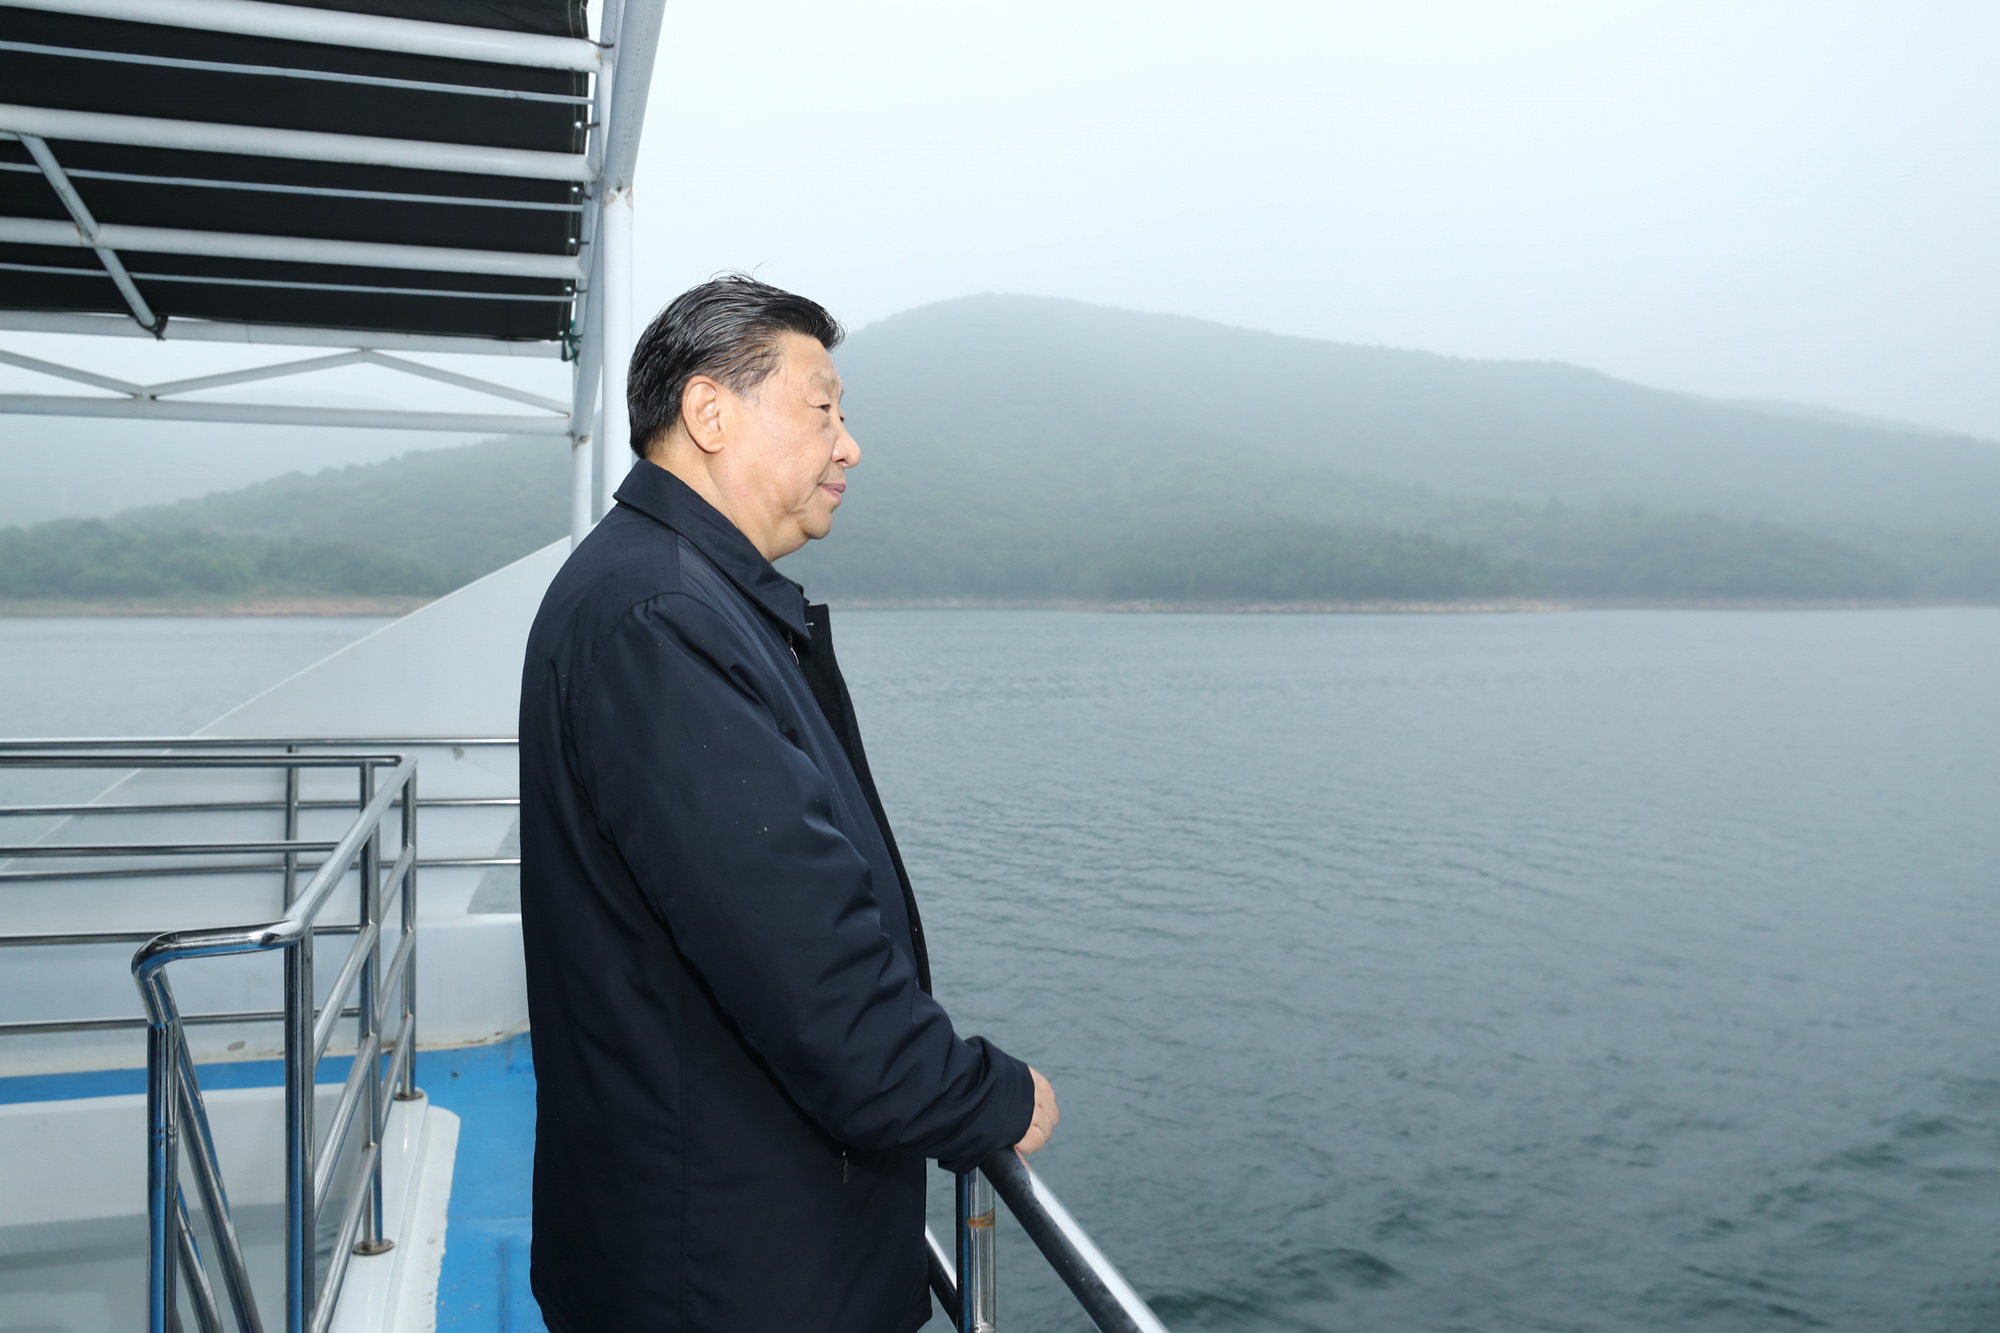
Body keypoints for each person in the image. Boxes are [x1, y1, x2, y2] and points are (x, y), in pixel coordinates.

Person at [518, 275, 1057, 1333]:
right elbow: (807, 971)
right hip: (728, 1279)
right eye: (822, 408)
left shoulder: (674, 595)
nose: (849, 445)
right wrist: (982, 1094)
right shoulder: (660, 617)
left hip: (713, 1247)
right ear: (709, 413)